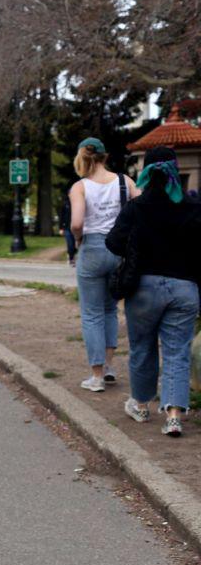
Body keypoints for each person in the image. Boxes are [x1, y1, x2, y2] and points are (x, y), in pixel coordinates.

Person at [105, 146, 201, 437]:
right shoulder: (193, 205)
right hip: (184, 288)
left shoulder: (137, 207)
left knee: (142, 348)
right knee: (177, 352)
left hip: (143, 287)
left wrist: (136, 248)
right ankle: (173, 415)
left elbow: (113, 242)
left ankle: (142, 405)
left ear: (145, 170)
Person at [69, 137, 139, 392]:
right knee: (110, 310)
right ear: (104, 156)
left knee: (91, 313)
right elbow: (140, 207)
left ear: (82, 157)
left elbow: (77, 223)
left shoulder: (80, 187)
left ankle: (96, 376)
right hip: (118, 249)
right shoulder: (125, 181)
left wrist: (78, 240)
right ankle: (109, 367)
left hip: (93, 248)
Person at [59, 192, 76, 267]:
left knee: (76, 245)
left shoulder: (77, 203)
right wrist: (61, 228)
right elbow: (61, 217)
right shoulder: (65, 204)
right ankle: (71, 258)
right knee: (70, 244)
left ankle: (73, 255)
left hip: (75, 228)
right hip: (67, 228)